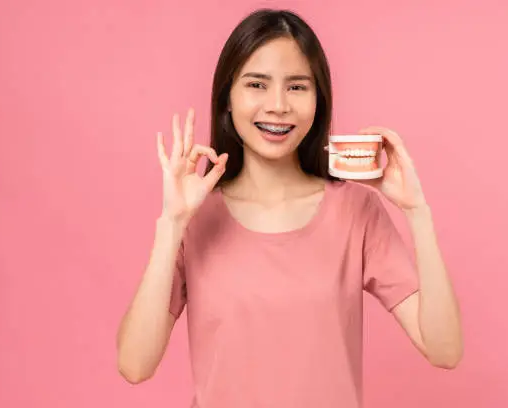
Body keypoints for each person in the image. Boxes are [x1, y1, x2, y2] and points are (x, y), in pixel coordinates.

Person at [116, 8, 463, 408]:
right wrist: (171, 225)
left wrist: (417, 211)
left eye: (297, 87)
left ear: (319, 99)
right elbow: (134, 365)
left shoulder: (355, 210)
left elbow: (445, 351)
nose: (278, 105)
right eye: (257, 85)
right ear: (227, 97)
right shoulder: (194, 219)